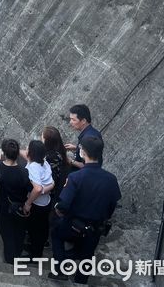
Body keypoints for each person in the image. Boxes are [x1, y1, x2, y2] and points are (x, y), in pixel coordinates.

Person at [49, 136, 121, 284]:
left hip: (73, 225)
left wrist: (58, 212)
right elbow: (112, 205)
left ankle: (60, 269)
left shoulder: (76, 177)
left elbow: (63, 205)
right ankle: (81, 280)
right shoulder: (111, 179)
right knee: (88, 254)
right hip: (95, 228)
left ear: (82, 152)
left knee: (55, 234)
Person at [0, 139, 32, 264]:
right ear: (18, 153)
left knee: (7, 235)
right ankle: (17, 253)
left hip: (4, 208)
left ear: (4, 153)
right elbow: (30, 188)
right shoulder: (24, 171)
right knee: (19, 232)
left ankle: (10, 260)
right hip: (20, 208)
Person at [22, 140, 55, 258]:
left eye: (27, 148)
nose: (26, 149)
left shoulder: (34, 167)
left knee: (34, 230)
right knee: (42, 227)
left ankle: (35, 255)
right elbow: (51, 183)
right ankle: (37, 248)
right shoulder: (44, 162)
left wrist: (28, 203)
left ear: (31, 153)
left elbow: (37, 189)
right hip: (46, 203)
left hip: (37, 205)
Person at [64, 104, 102, 170]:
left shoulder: (89, 138)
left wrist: (71, 161)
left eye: (73, 120)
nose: (70, 122)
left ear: (84, 121)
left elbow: (89, 166)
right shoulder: (91, 133)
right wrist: (77, 148)